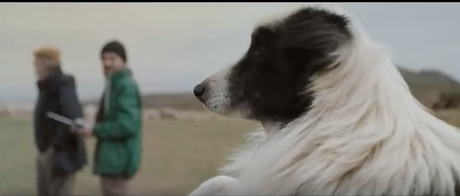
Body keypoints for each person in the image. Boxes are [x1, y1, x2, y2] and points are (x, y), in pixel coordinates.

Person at [78, 40, 143, 196]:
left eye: (112, 58)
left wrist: (95, 129)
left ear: (123, 60)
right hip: (112, 159)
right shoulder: (113, 84)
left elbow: (127, 125)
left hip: (118, 160)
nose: (107, 63)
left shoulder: (125, 85)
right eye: (104, 59)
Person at [33, 45, 87, 196]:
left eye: (37, 63)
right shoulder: (47, 87)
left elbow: (71, 120)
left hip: (60, 156)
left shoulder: (63, 86)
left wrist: (53, 146)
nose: (34, 68)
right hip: (48, 152)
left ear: (47, 64)